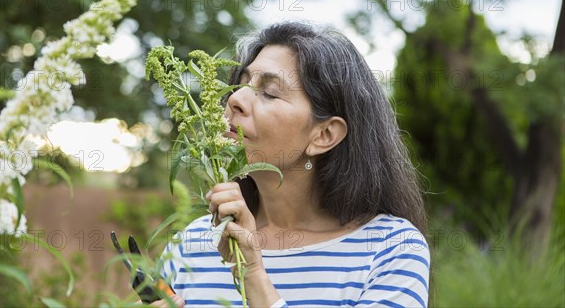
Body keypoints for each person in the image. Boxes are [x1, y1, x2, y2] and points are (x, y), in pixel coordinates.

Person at [157, 22, 430, 307]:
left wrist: (252, 275)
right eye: (240, 84)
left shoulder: (391, 248)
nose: (235, 99)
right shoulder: (192, 241)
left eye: (270, 92)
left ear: (324, 135)